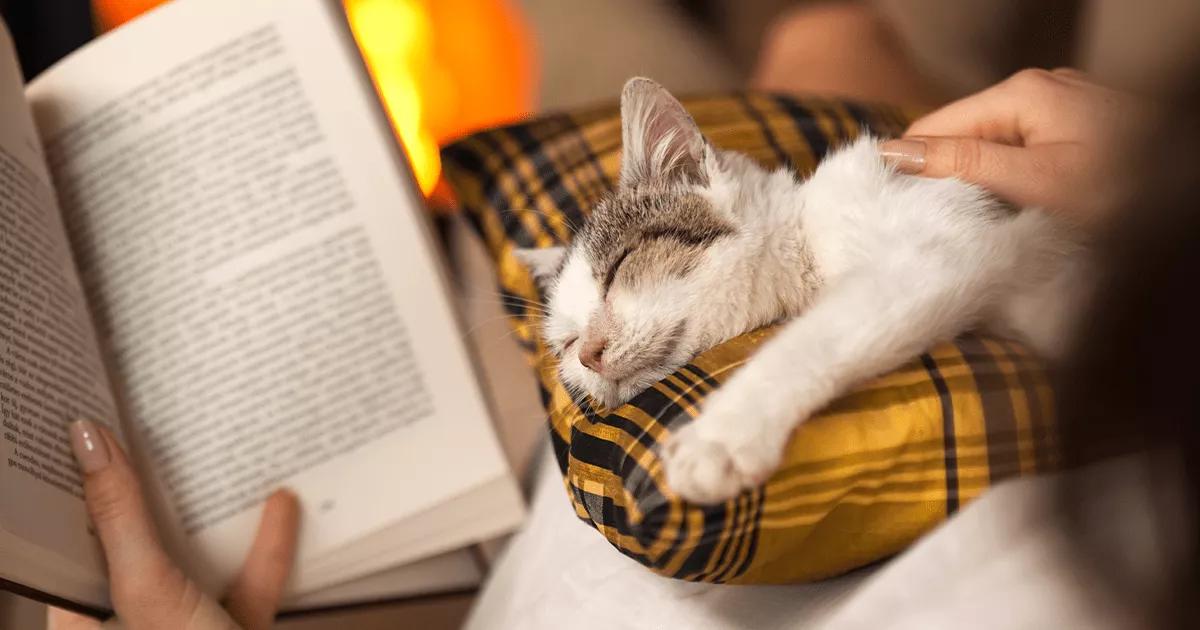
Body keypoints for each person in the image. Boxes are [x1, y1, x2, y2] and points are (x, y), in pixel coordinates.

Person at [48, 68, 1164, 628]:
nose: (587, 349)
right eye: (569, 341)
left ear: (694, 178)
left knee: (805, 59)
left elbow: (940, 270)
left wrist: (755, 408)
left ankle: (822, 37)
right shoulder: (616, 384)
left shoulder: (843, 200)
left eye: (612, 285)